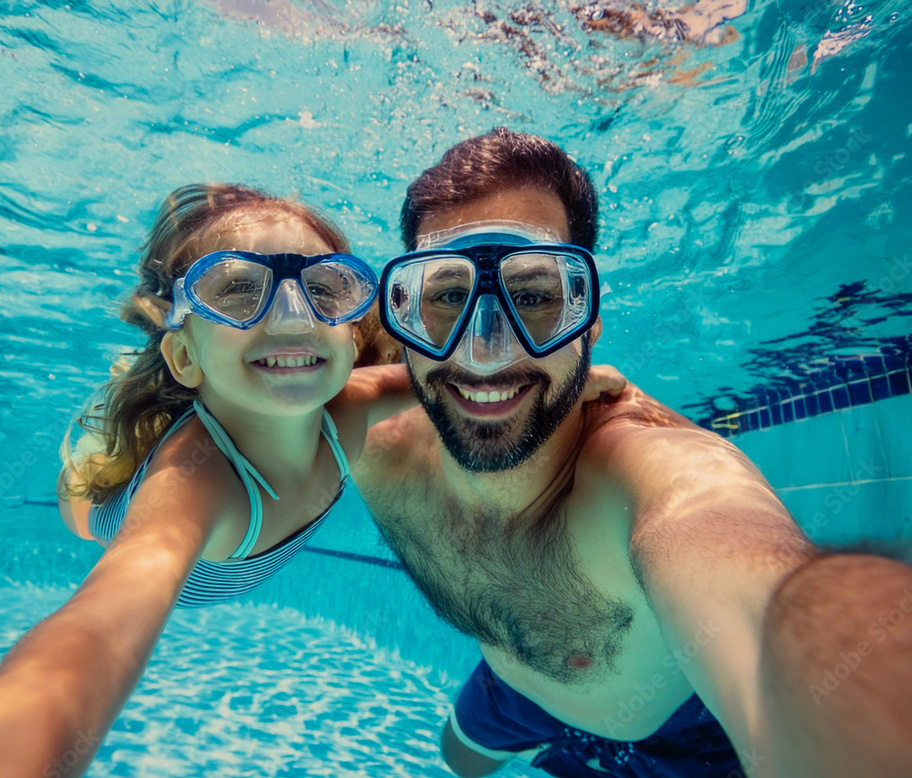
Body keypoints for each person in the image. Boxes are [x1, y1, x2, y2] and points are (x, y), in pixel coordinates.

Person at [0, 181, 629, 777]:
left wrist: (563, 387)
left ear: (351, 327)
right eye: (236, 291)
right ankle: (119, 415)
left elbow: (448, 377)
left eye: (326, 289)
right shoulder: (197, 484)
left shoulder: (348, 405)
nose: (293, 316)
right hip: (104, 507)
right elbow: (100, 622)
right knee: (79, 493)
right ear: (185, 352)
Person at [354, 128, 912, 778]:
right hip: (518, 688)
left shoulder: (654, 471)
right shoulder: (374, 441)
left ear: (587, 320)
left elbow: (748, 579)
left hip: (681, 730)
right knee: (457, 760)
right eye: (448, 296)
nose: (486, 351)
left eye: (533, 297)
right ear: (406, 321)